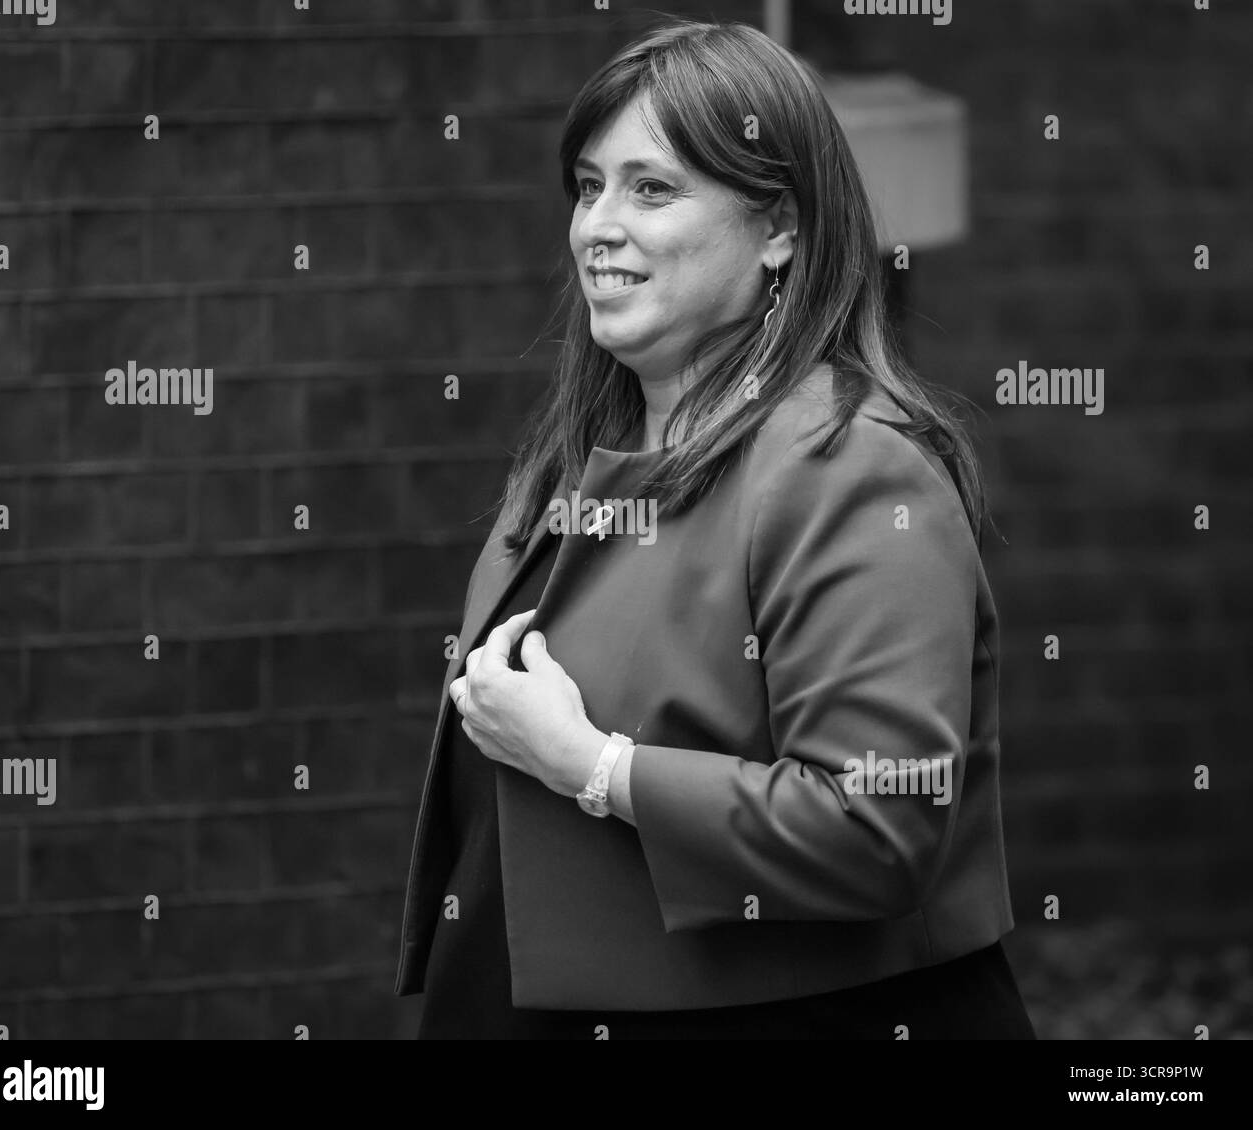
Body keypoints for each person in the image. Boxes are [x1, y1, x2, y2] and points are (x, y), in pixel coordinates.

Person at [394, 17, 1035, 1040]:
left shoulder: (848, 466)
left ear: (779, 227)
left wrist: (594, 766)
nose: (598, 226)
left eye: (652, 188)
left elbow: (876, 828)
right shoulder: (576, 454)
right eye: (589, 186)